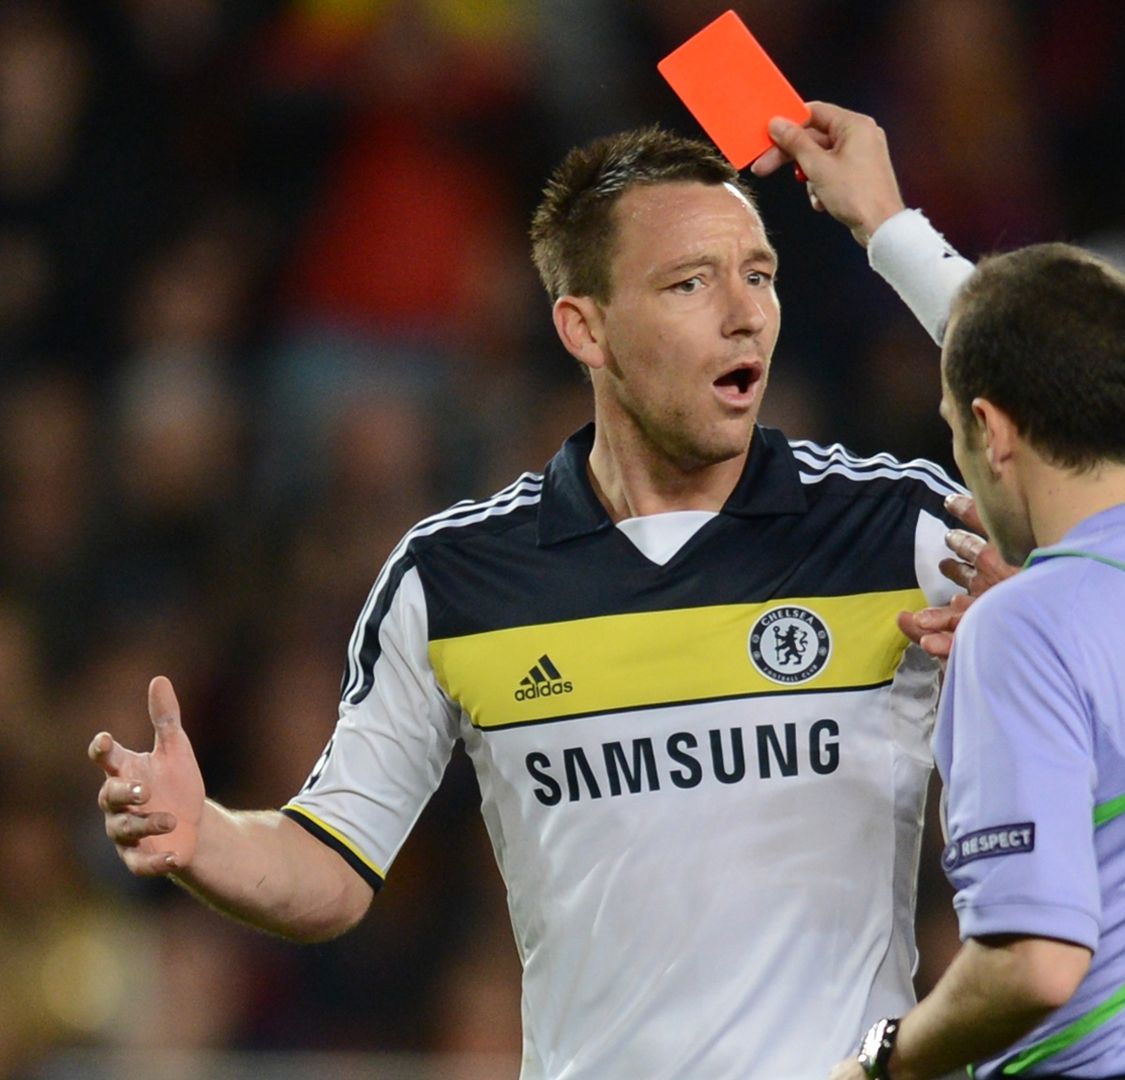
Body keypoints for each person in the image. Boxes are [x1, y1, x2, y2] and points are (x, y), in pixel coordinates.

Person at [89, 127, 969, 1079]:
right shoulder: (456, 581)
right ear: (583, 328)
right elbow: (334, 865)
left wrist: (888, 227)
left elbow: (1093, 447)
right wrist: (205, 836)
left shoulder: (900, 534)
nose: (745, 315)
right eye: (690, 284)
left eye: (759, 275)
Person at [765, 107, 1125, 1080]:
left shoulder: (1020, 630)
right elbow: (1062, 365)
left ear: (990, 431)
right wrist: (884, 222)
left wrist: (880, 1064)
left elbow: (1032, 967)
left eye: (955, 424)